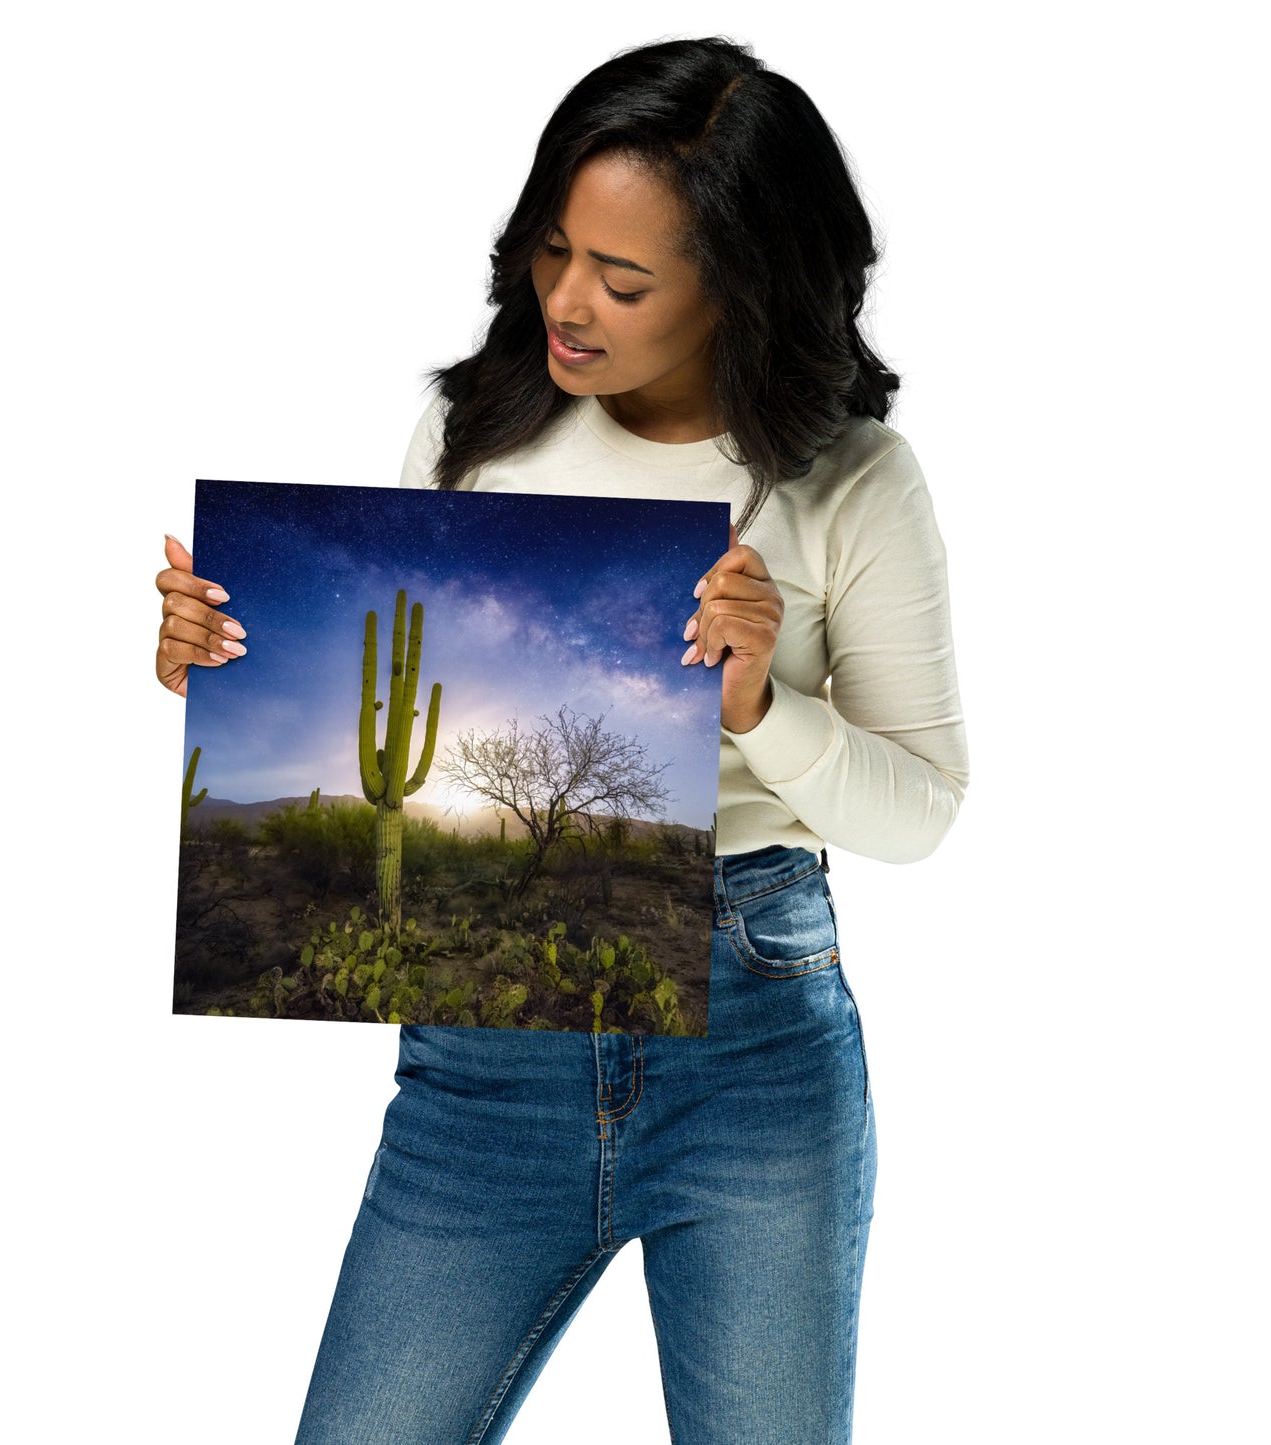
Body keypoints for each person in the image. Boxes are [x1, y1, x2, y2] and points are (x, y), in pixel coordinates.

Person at [156, 37, 968, 1444]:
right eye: (551, 250)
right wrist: (221, 665)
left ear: (740, 286)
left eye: (624, 277)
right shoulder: (472, 429)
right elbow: (413, 739)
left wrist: (759, 707)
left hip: (754, 1057)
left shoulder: (852, 481)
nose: (566, 302)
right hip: (479, 1077)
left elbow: (920, 812)